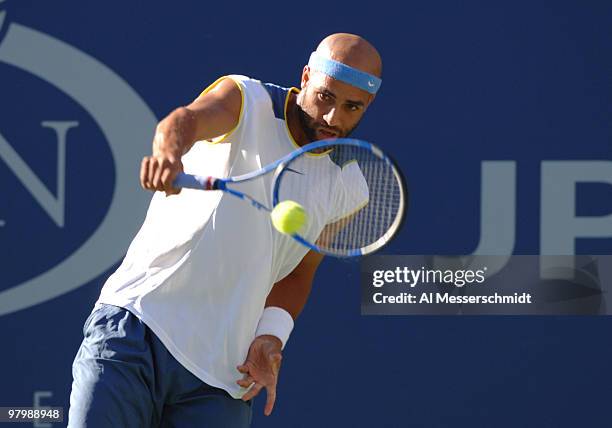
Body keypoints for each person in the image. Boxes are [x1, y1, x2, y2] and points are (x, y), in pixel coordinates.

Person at [68, 33, 382, 427]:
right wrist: (169, 155)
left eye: (351, 107)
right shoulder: (246, 100)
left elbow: (298, 273)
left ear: (368, 105)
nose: (333, 117)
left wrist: (271, 337)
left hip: (222, 380)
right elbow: (184, 121)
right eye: (325, 97)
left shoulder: (348, 186)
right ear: (305, 77)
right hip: (138, 327)